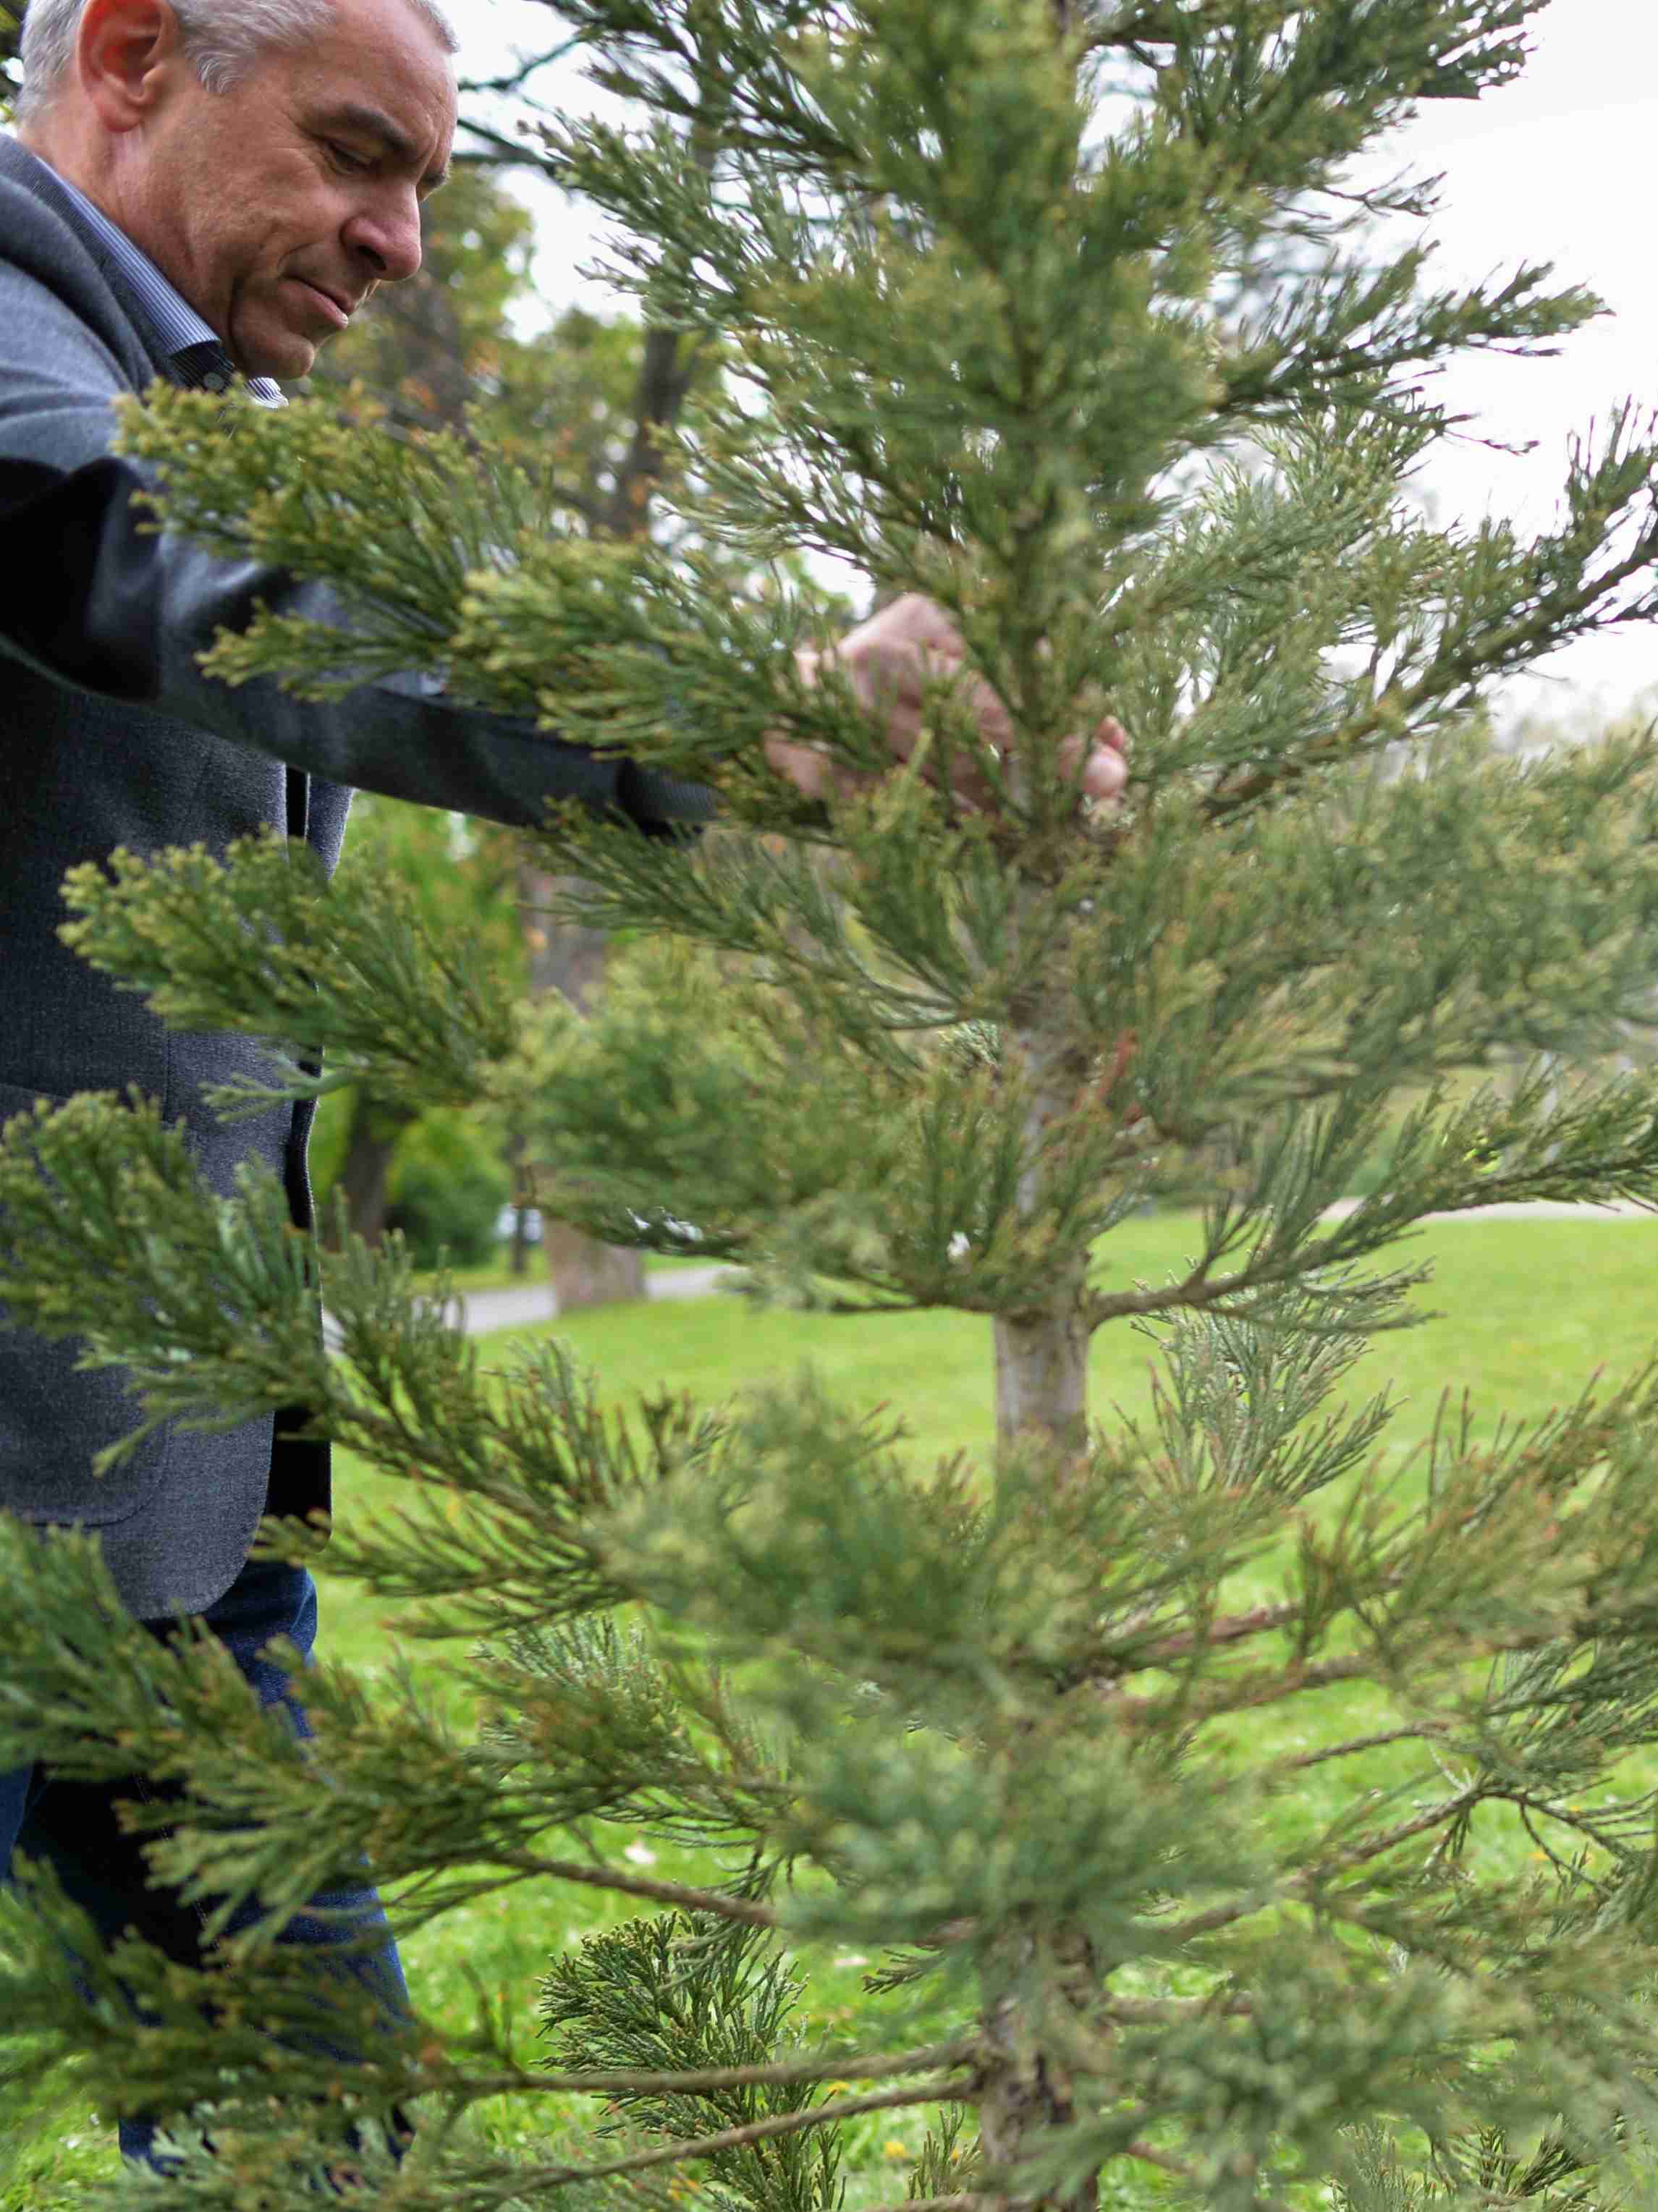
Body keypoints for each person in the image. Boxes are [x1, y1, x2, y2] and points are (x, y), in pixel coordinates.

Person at [0, 0, 1120, 2163]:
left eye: (426, 177)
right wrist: (719, 706)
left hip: (169, 1509)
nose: (401, 236)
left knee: (329, 2152)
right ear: (135, 52)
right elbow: (145, 566)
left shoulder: (200, 404)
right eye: (352, 152)